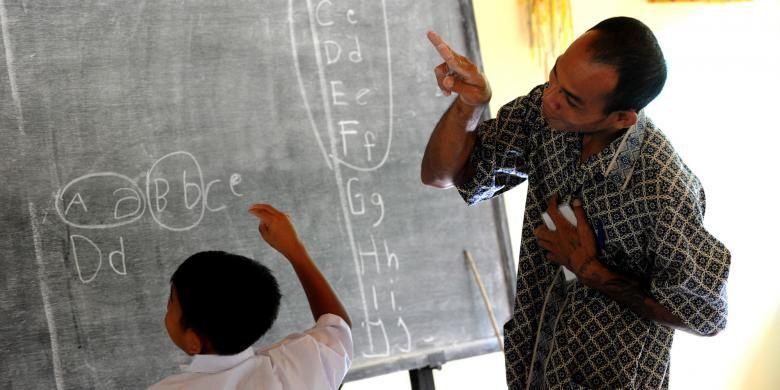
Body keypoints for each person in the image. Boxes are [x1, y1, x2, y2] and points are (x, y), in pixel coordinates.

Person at [421, 16, 729, 389]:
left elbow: (707, 315)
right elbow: (441, 175)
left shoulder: (663, 188)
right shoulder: (545, 113)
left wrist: (592, 271)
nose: (550, 98)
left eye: (571, 99)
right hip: (531, 368)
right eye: (555, 74)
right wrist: (470, 104)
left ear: (621, 118)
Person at [148, 204, 353, 390]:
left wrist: (293, 250)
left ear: (194, 341)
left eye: (170, 305)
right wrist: (294, 249)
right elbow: (337, 326)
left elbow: (338, 329)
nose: (167, 310)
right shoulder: (299, 368)